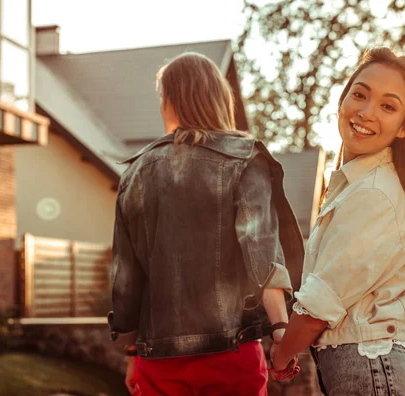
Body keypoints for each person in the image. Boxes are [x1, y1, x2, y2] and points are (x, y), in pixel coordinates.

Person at [106, 52, 303, 395]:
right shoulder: (245, 159)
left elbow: (126, 279)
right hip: (233, 356)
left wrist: (131, 355)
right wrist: (281, 328)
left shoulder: (136, 172)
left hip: (159, 361)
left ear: (170, 101)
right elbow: (263, 254)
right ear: (218, 98)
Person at [270, 47, 405, 395]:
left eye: (388, 106)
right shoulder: (358, 185)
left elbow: (322, 299)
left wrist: (282, 353)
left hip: (376, 374)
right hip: (374, 373)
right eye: (359, 95)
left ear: (404, 127)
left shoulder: (375, 193)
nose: (366, 112)